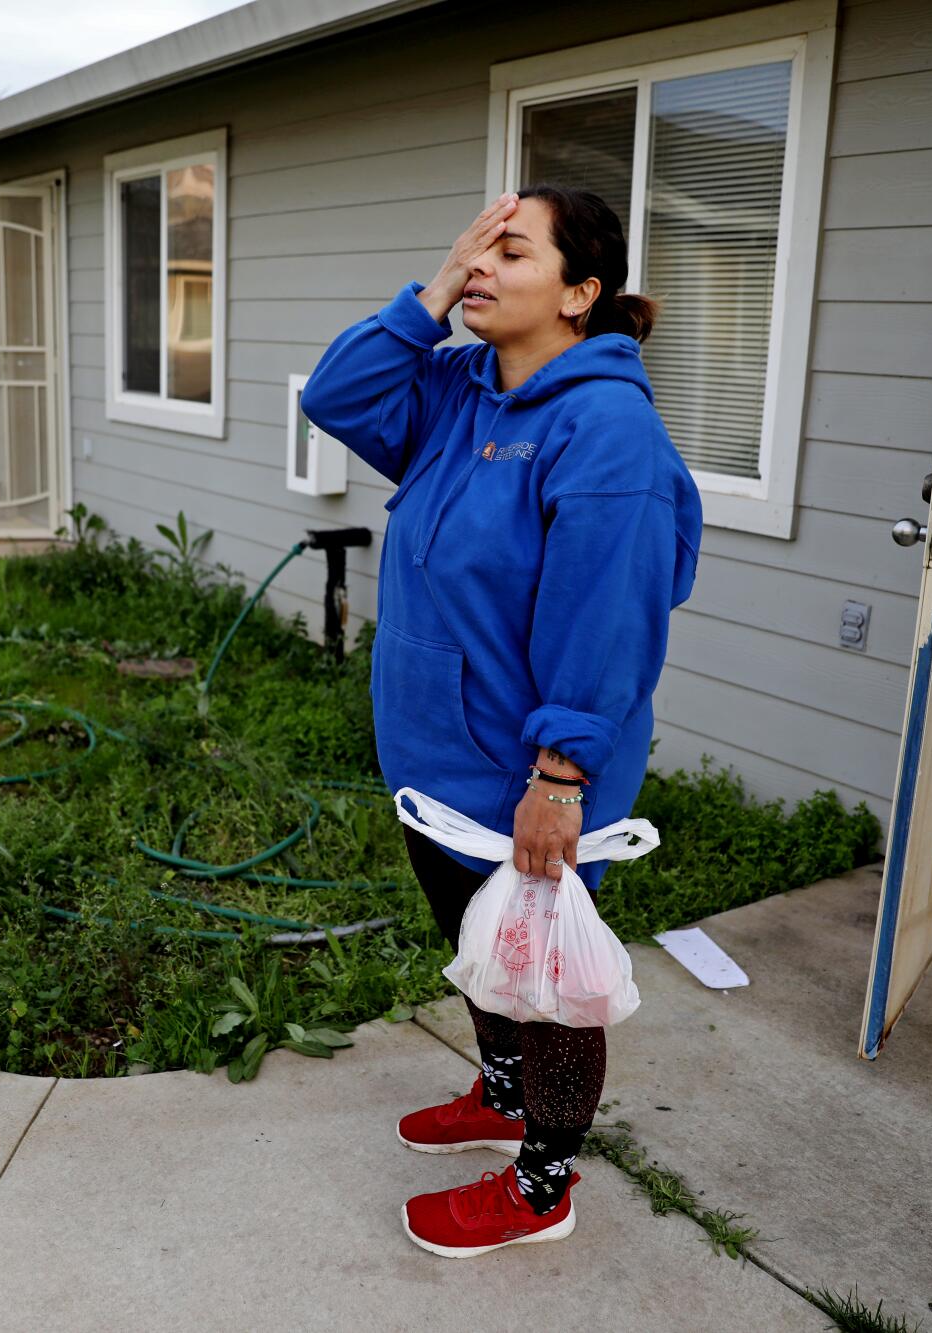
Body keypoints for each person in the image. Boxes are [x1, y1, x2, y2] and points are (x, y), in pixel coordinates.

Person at [300, 185, 703, 1258]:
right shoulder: (456, 389)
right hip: (434, 757)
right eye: (472, 250)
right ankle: (498, 1093)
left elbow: (606, 616)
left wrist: (560, 774)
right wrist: (433, 290)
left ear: (578, 294)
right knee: (479, 951)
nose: (477, 267)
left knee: (546, 983)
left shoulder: (604, 428)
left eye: (506, 251)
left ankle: (541, 1184)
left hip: (527, 769)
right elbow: (338, 395)